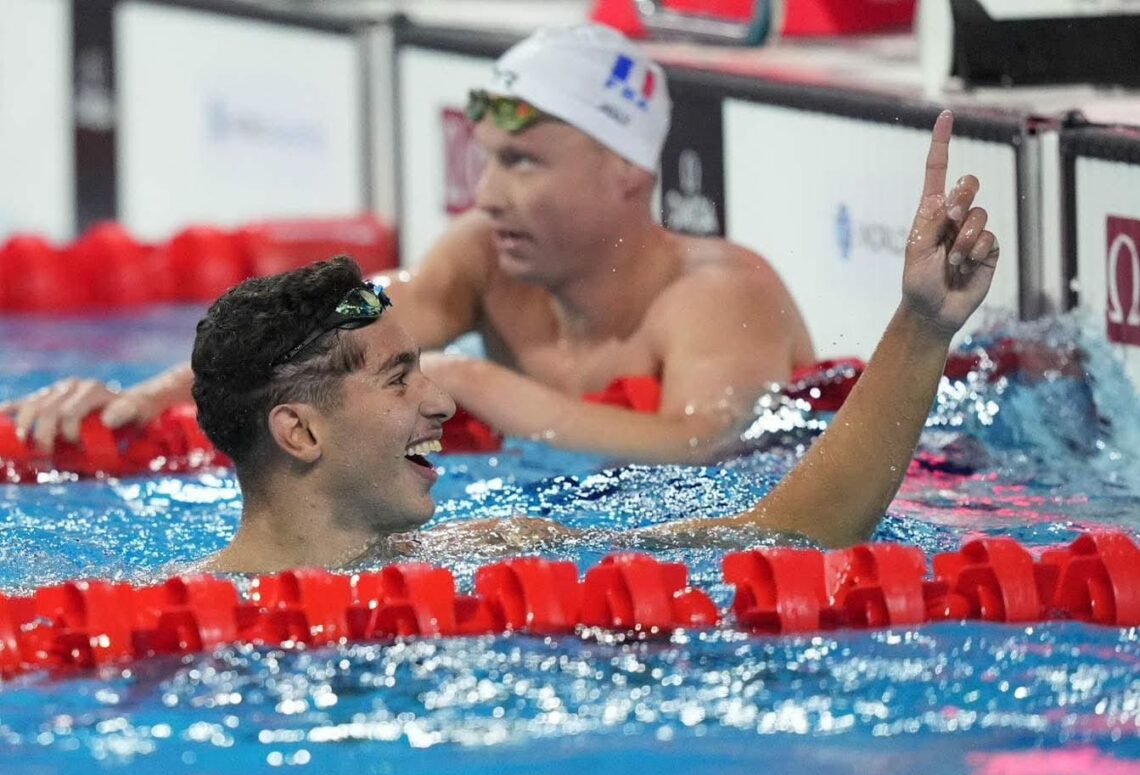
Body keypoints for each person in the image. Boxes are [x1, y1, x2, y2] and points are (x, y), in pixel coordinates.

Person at [193, 110, 998, 572]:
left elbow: (794, 533)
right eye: (401, 378)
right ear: (298, 431)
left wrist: (922, 326)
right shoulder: (175, 625)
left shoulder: (492, 555)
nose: (442, 397)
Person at [1, 23, 815, 466]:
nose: (488, 193)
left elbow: (707, 441)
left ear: (625, 173)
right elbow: (323, 326)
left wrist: (476, 382)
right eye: (489, 160)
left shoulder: (715, 295)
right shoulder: (484, 255)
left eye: (524, 162)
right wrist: (150, 395)